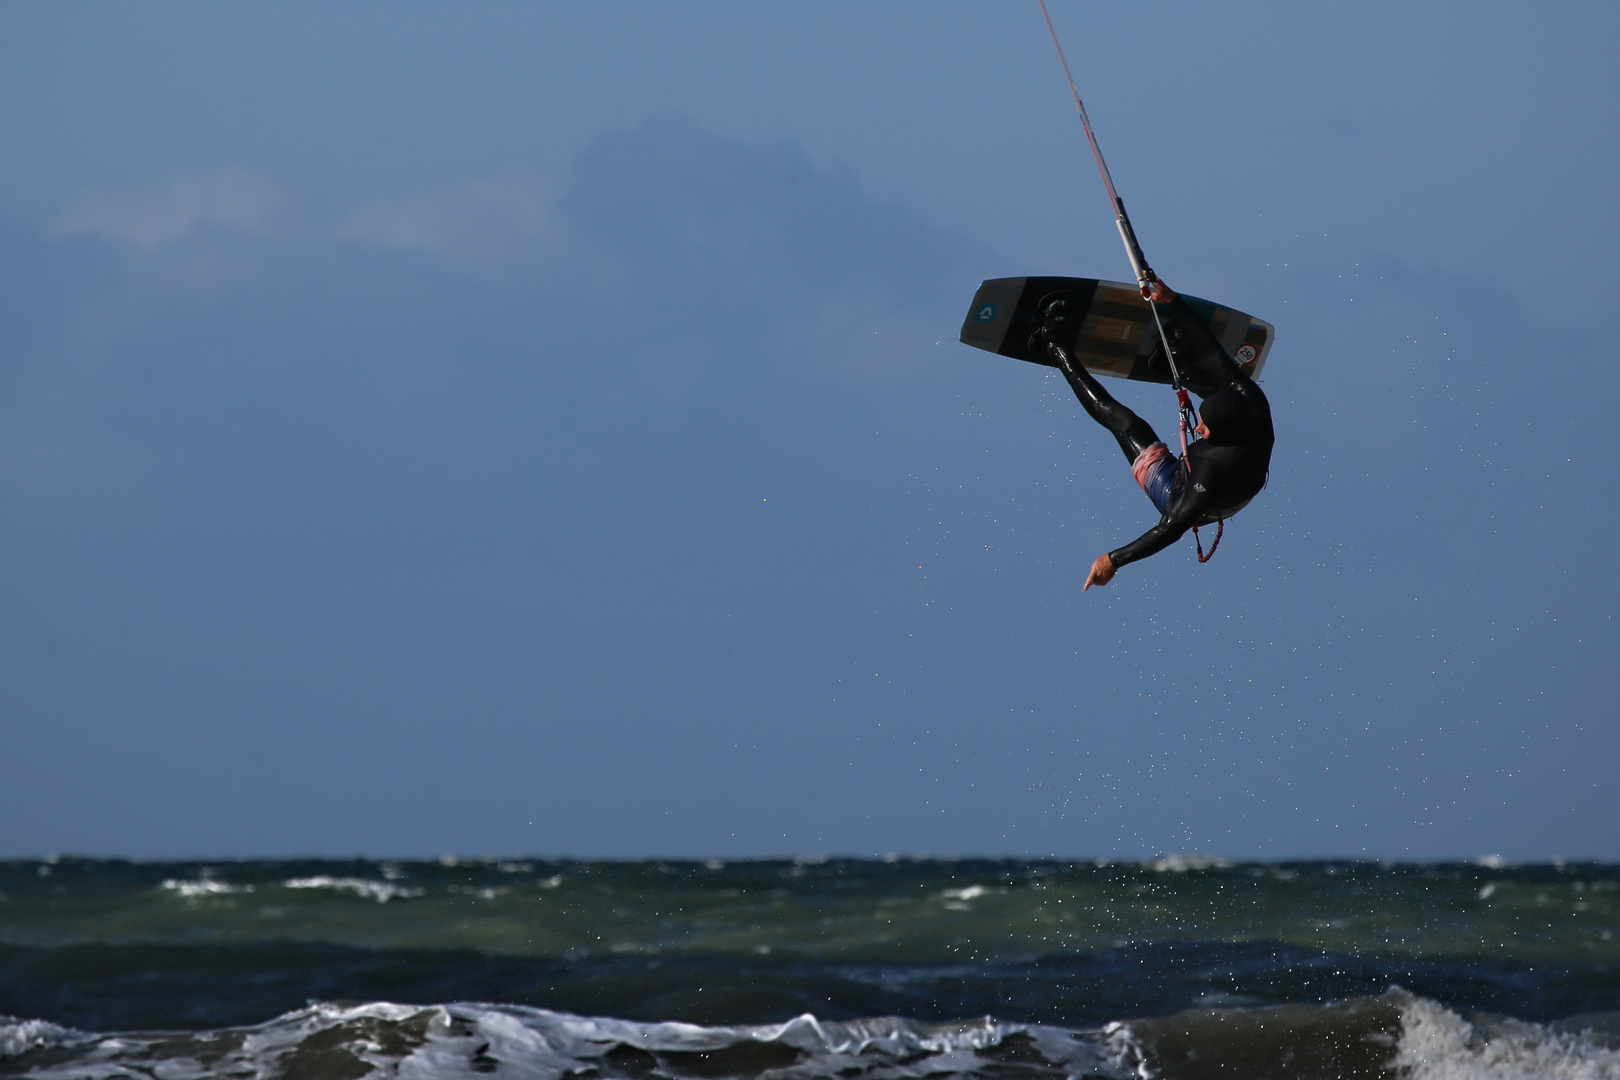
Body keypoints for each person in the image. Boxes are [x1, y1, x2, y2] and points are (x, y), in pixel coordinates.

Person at [1035, 281, 1274, 589]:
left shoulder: (1210, 472)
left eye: (1202, 428)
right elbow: (1213, 352)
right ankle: (1174, 363)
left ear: (1219, 434)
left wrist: (1113, 559)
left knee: (1124, 421)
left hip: (1183, 496)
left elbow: (1172, 529)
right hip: (1230, 456)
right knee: (1216, 380)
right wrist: (1173, 300)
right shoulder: (1251, 402)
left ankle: (1056, 348)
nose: (1196, 429)